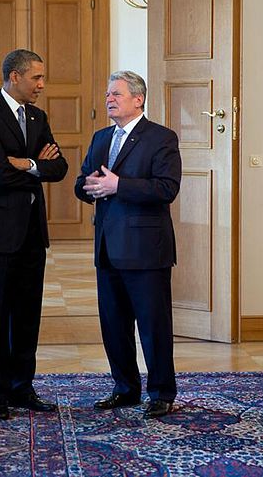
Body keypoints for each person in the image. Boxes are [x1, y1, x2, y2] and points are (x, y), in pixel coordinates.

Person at [0, 49, 68, 420]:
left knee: (27, 314)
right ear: (13, 77)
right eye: (36, 78)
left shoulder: (38, 116)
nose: (42, 85)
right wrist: (36, 166)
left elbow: (59, 168)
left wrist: (27, 162)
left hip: (30, 231)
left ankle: (22, 387)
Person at [74, 70, 181, 419]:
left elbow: (166, 189)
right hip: (107, 247)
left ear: (139, 99)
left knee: (153, 325)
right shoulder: (101, 137)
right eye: (107, 94)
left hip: (146, 248)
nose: (109, 99)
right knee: (114, 325)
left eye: (117, 94)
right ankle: (125, 388)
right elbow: (83, 183)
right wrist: (87, 185)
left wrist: (120, 186)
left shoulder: (161, 138)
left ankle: (162, 392)